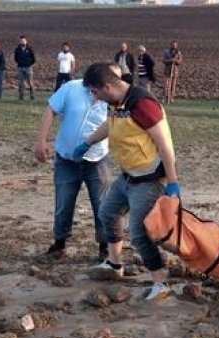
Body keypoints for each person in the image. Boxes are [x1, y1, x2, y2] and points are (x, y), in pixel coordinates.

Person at [80, 62, 181, 301]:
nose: (94, 97)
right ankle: (115, 266)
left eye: (95, 91)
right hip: (127, 175)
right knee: (107, 213)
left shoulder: (142, 104)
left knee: (138, 233)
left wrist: (173, 181)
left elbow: (165, 144)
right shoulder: (117, 102)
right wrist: (88, 142)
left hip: (149, 179)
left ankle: (160, 282)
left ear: (107, 86)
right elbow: (111, 125)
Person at [34, 65, 117, 261]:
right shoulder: (71, 88)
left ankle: (105, 248)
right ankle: (59, 244)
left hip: (97, 160)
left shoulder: (113, 97)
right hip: (66, 159)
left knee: (102, 204)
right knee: (63, 202)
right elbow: (50, 111)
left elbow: (116, 125)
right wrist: (41, 141)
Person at [15, 35, 36, 100]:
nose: (22, 42)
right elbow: (15, 58)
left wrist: (29, 64)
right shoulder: (17, 49)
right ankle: (21, 97)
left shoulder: (30, 49)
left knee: (30, 83)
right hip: (20, 68)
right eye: (21, 41)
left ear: (26, 41)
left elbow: (33, 59)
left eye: (24, 40)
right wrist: (20, 63)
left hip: (28, 68)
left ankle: (32, 97)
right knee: (20, 83)